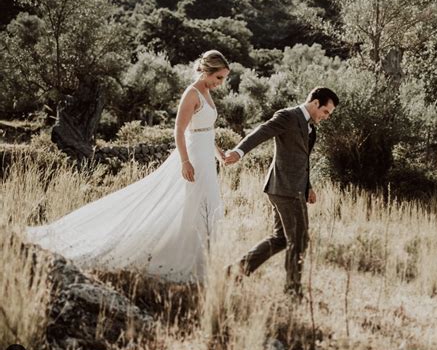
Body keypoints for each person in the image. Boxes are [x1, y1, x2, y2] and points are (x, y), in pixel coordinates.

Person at [25, 50, 230, 283]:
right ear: (205, 71)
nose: (220, 84)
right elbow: (179, 131)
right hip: (192, 159)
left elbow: (206, 131)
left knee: (205, 206)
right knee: (187, 205)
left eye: (223, 79)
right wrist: (184, 162)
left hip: (206, 159)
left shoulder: (207, 93)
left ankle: (201, 261)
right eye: (218, 78)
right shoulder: (191, 93)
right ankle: (178, 257)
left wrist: (219, 153)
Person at [225, 87, 339, 298]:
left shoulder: (310, 127)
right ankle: (293, 291)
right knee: (300, 239)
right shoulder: (288, 116)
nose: (326, 117)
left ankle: (236, 271)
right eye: (326, 112)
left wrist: (308, 186)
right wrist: (239, 152)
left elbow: (302, 160)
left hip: (291, 188)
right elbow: (261, 132)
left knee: (281, 238)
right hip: (285, 188)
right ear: (315, 103)